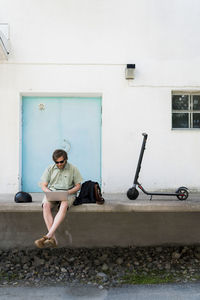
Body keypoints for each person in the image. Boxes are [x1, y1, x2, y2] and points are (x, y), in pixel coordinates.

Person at [34, 149, 82, 248]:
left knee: (64, 204)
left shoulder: (73, 169)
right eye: (57, 162)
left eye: (61, 162)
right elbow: (43, 185)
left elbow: (78, 186)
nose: (59, 164)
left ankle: (48, 236)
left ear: (66, 159)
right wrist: (49, 193)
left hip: (68, 193)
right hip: (52, 192)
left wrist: (67, 192)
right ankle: (53, 239)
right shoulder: (50, 168)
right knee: (46, 205)